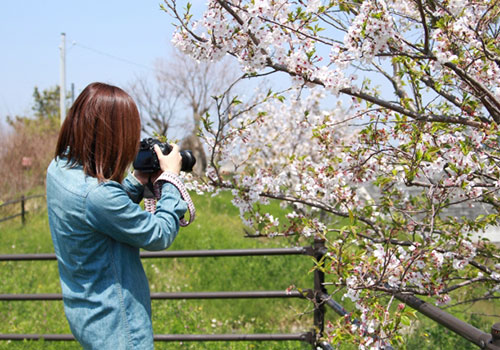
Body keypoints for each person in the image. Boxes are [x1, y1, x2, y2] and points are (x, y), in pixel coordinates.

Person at [46, 82, 188, 349]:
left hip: (88, 313)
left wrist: (137, 182)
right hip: (119, 325)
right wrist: (170, 180)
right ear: (110, 135)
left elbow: (101, 214)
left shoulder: (59, 168)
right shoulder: (97, 195)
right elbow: (158, 235)